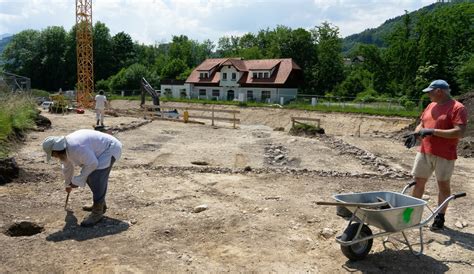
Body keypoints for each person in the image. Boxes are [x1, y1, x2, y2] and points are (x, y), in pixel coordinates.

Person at [409, 79, 467, 230]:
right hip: (424, 151)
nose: (428, 95)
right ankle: (411, 215)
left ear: (439, 91)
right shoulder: (431, 105)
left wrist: (433, 131)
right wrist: (416, 133)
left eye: (430, 92)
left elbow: (459, 132)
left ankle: (440, 217)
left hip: (444, 154)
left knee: (443, 185)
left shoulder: (457, 108)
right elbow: (422, 123)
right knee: (418, 182)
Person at [42, 129, 122, 227]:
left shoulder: (75, 147)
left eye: (53, 154)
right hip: (100, 151)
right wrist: (68, 184)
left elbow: (93, 163)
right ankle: (101, 204)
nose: (54, 157)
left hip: (109, 149)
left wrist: (78, 180)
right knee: (88, 175)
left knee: (95, 177)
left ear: (56, 150)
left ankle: (97, 212)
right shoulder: (65, 149)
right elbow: (67, 167)